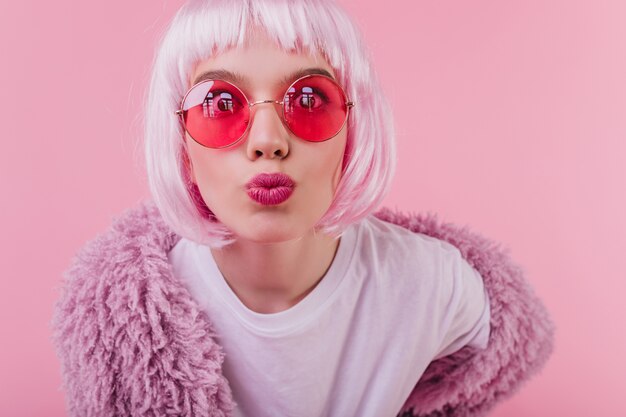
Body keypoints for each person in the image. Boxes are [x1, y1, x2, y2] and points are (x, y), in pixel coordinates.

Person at [51, 1, 555, 416]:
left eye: (310, 99)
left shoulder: (433, 284)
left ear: (354, 128)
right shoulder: (123, 327)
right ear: (179, 137)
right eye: (221, 104)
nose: (268, 142)